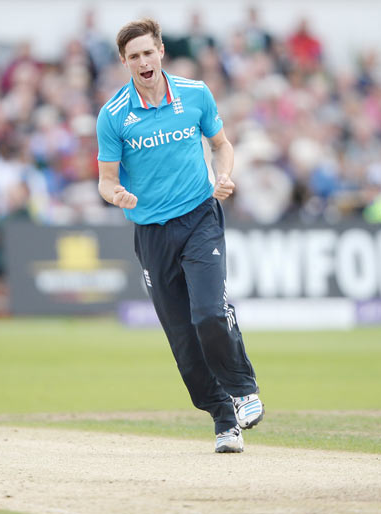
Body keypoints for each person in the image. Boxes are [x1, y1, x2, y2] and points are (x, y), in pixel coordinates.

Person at [96, 18, 264, 454]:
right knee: (184, 344)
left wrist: (223, 175)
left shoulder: (194, 93)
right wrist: (115, 194)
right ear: (125, 62)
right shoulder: (113, 115)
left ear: (161, 52)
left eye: (148, 52)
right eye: (134, 56)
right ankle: (224, 420)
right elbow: (105, 180)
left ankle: (243, 388)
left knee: (208, 313)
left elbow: (222, 145)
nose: (143, 62)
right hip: (151, 233)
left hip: (198, 219)